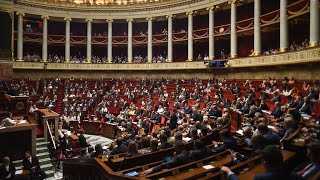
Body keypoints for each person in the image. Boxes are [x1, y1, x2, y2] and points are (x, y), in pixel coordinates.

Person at [220, 145, 289, 180]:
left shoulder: (260, 177)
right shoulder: (294, 175)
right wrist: (242, 156)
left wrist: (229, 171)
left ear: (265, 162)